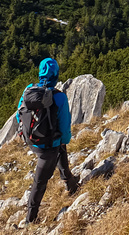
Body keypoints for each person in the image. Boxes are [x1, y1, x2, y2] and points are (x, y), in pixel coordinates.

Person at [17, 58, 79, 224]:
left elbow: (19, 114)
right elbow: (65, 131)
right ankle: (31, 219)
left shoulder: (29, 90)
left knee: (58, 149)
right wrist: (63, 140)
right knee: (39, 182)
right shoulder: (59, 98)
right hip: (48, 147)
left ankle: (70, 183)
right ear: (56, 75)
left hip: (31, 140)